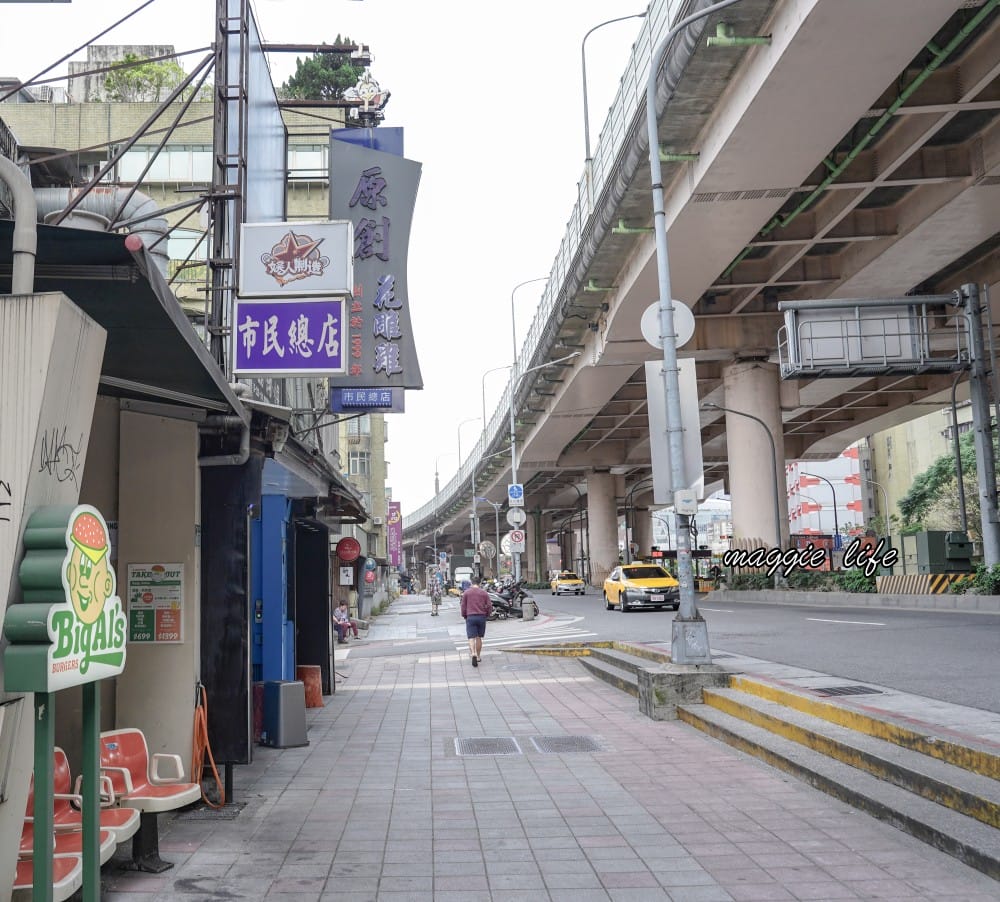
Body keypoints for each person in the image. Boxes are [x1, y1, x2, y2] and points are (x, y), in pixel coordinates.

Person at [460, 576, 492, 667]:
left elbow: (463, 606)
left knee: (471, 638)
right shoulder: (484, 593)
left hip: (470, 617)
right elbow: (489, 606)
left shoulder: (466, 593)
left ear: (471, 582)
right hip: (481, 617)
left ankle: (473, 653)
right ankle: (478, 656)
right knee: (478, 637)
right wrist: (487, 614)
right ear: (480, 583)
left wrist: (464, 615)